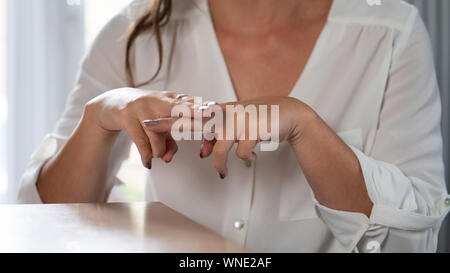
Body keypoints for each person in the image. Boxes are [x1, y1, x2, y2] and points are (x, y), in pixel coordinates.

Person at [18, 0, 450, 252]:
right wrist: (101, 116)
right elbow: (43, 229)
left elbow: (414, 241)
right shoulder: (132, 33)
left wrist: (308, 128)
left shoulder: (392, 36)